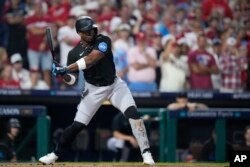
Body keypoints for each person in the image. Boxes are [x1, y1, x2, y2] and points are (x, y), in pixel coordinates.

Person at [38, 16, 155, 165]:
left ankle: (146, 154)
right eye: (87, 31)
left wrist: (66, 68)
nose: (91, 33)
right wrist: (63, 74)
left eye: (93, 29)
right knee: (77, 125)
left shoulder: (103, 40)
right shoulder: (73, 53)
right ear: (79, 33)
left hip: (115, 85)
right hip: (93, 90)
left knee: (134, 115)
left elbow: (93, 58)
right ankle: (54, 155)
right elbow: (72, 81)